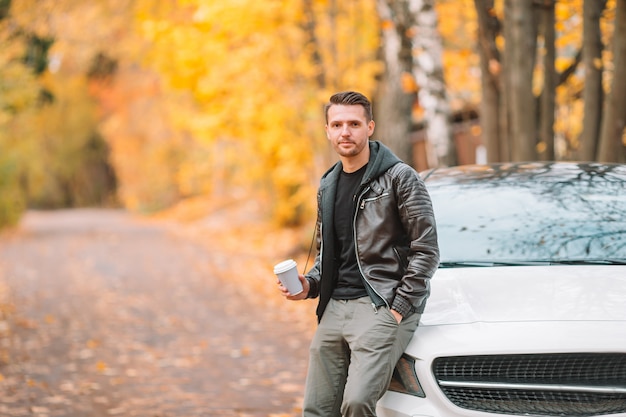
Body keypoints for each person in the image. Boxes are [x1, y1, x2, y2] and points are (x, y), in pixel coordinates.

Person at [278, 91, 440, 417]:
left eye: (353, 123)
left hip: (381, 303)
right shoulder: (328, 184)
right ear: (327, 130)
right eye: (337, 124)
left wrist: (398, 309)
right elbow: (329, 253)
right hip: (335, 306)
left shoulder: (399, 178)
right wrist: (309, 285)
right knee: (316, 408)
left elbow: (427, 250)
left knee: (357, 402)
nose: (345, 132)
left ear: (370, 127)